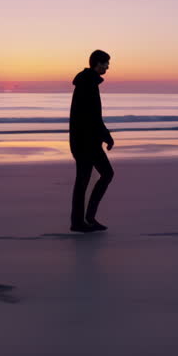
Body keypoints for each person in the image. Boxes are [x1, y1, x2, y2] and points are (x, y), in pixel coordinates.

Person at [69, 49, 114, 232]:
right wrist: (107, 136)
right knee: (104, 175)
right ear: (97, 63)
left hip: (84, 141)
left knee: (85, 180)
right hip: (86, 143)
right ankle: (83, 220)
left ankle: (82, 220)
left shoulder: (86, 82)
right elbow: (92, 116)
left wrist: (104, 136)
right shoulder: (88, 84)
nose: (108, 67)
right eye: (106, 63)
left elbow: (91, 116)